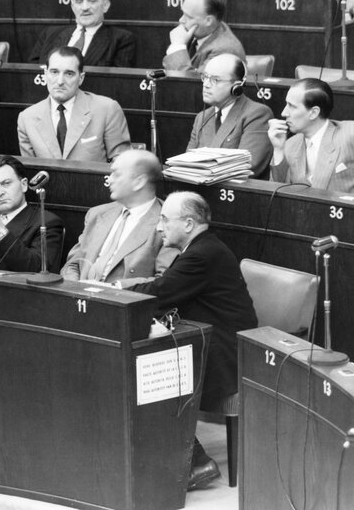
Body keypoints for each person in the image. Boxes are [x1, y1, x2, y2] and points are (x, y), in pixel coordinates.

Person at [121, 191, 257, 491]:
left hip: (222, 355)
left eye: (165, 220)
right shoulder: (202, 247)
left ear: (188, 223)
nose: (159, 227)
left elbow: (161, 293)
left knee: (148, 374)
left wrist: (119, 289)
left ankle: (196, 463)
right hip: (207, 341)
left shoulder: (202, 254)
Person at [61, 149, 177, 283]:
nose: (109, 180)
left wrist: (111, 289)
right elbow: (73, 264)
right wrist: (76, 287)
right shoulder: (96, 214)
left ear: (139, 182)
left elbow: (163, 282)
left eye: (116, 174)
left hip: (125, 299)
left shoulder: (167, 222)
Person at [17, 46, 131, 162]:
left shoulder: (107, 109)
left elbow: (122, 163)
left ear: (81, 78)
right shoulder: (27, 118)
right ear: (45, 74)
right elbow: (30, 171)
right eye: (54, 72)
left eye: (69, 74)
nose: (60, 81)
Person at [268, 78, 354, 195]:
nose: (284, 113)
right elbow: (276, 194)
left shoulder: (353, 134)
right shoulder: (290, 144)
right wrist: (278, 150)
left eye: (292, 106)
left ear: (314, 113)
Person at [187, 53, 273, 178]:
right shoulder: (202, 117)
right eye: (205, 77)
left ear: (236, 86)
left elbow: (249, 165)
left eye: (215, 80)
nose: (206, 84)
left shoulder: (257, 114)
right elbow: (187, 162)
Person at [29, 0, 136, 67]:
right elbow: (31, 74)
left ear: (105, 5)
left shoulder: (121, 39)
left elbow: (118, 83)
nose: (85, 8)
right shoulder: (50, 33)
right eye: (79, 1)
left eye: (92, 0)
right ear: (72, 6)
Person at [162, 0, 245, 73]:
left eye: (189, 17)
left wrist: (177, 46)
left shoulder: (225, 51)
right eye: (183, 13)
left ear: (208, 20)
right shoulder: (202, 31)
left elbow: (192, 86)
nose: (181, 20)